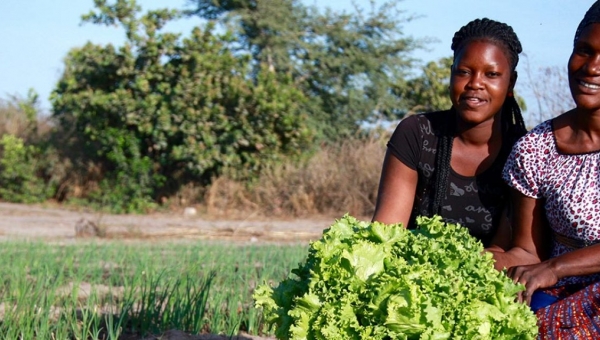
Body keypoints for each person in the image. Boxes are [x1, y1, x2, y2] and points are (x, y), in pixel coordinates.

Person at [372, 18, 527, 250]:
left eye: (491, 74)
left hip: (489, 276)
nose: (475, 83)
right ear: (451, 75)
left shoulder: (524, 152)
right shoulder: (417, 134)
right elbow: (386, 234)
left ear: (511, 84)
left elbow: (507, 252)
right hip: (412, 276)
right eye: (464, 71)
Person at [495, 1, 600, 337]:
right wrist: (477, 264)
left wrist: (556, 267)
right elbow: (528, 251)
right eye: (584, 50)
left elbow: (547, 265)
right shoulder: (536, 147)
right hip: (558, 296)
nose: (592, 67)